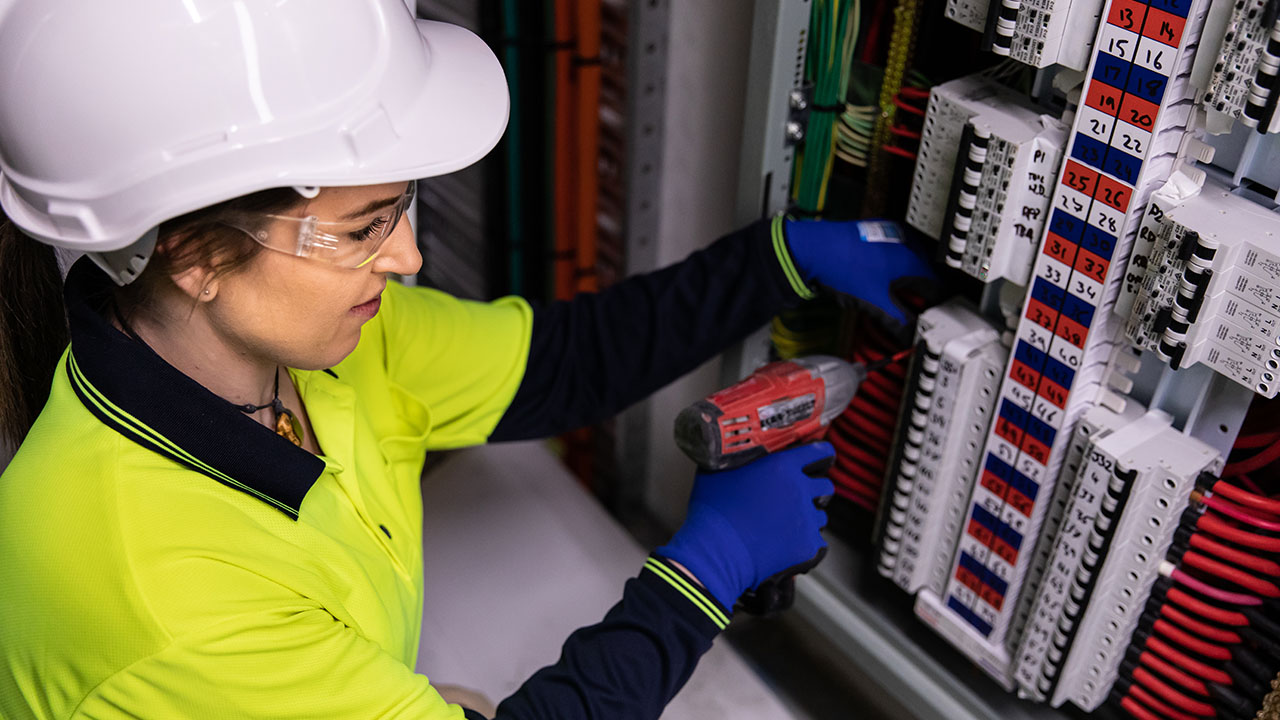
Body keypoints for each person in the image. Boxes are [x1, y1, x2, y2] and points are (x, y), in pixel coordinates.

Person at [0, 2, 933, 719]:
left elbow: (564, 363)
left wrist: (776, 260)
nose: (405, 256)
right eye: (365, 227)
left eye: (400, 208)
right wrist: (705, 571)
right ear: (196, 257)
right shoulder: (160, 601)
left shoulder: (324, 342)